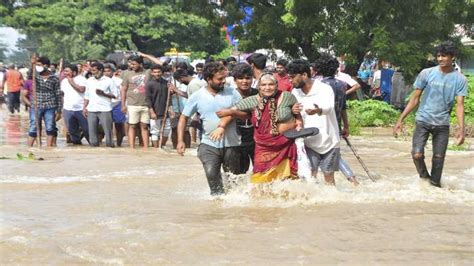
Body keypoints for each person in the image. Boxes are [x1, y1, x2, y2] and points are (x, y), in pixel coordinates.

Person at [394, 42, 468, 187]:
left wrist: (461, 129)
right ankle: (425, 179)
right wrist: (400, 119)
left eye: (444, 56)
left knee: (438, 158)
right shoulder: (426, 73)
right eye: (438, 56)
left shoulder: (460, 79)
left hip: (442, 124)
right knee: (417, 154)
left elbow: (460, 105)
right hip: (423, 120)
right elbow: (415, 98)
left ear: (452, 57)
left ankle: (434, 187)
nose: (440, 59)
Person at [217, 73, 303, 184]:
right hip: (263, 147)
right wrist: (221, 126)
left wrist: (299, 125)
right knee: (260, 178)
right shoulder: (252, 100)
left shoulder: (287, 96)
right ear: (259, 87)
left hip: (286, 144)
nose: (267, 87)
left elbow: (298, 115)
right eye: (264, 85)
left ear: (277, 85)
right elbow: (230, 112)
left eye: (271, 84)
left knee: (286, 179)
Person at [176, 62, 242, 196]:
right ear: (208, 79)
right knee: (212, 176)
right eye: (219, 79)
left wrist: (228, 116)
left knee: (233, 180)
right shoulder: (197, 96)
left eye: (224, 78)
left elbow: (244, 111)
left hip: (232, 144)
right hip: (208, 144)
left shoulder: (232, 93)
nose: (223, 81)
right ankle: (216, 208)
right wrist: (180, 140)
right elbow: (183, 118)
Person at [289, 59, 340, 185]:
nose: (291, 80)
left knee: (329, 176)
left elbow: (329, 107)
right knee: (309, 176)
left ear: (304, 75)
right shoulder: (295, 92)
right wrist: (293, 110)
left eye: (293, 77)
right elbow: (294, 114)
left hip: (329, 140)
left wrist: (319, 110)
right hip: (308, 141)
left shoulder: (324, 88)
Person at [315, 54, 359, 185]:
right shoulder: (341, 85)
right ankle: (352, 180)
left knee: (326, 156)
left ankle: (350, 180)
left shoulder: (319, 86)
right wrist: (346, 126)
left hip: (321, 125)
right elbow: (343, 106)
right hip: (336, 125)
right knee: (333, 155)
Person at [28, 56, 62, 147]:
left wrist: (59, 110)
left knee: (50, 127)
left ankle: (49, 148)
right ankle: (29, 148)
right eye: (37, 65)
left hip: (50, 106)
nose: (37, 67)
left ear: (45, 65)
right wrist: (32, 64)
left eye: (39, 65)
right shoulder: (36, 75)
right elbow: (32, 73)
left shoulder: (54, 78)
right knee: (33, 126)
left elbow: (58, 94)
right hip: (36, 105)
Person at [83, 62, 117, 147]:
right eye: (91, 70)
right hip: (91, 109)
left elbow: (115, 95)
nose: (92, 72)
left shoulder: (109, 81)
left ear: (101, 70)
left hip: (105, 109)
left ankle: (110, 149)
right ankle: (95, 152)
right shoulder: (89, 80)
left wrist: (104, 94)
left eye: (94, 70)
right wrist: (84, 107)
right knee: (92, 134)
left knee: (108, 133)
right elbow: (87, 95)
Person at [121, 55, 151, 149]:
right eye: (130, 64)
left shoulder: (148, 72)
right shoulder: (127, 74)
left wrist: (146, 56)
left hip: (146, 104)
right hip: (132, 104)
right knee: (132, 126)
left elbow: (161, 64)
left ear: (141, 64)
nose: (132, 66)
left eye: (134, 64)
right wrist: (123, 105)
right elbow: (123, 90)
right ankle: (132, 148)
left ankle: (146, 148)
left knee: (145, 126)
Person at [61, 64, 89, 144]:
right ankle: (77, 145)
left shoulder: (82, 79)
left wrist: (71, 81)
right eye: (64, 71)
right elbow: (63, 94)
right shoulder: (64, 81)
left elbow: (81, 90)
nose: (65, 73)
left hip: (80, 108)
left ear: (74, 72)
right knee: (71, 130)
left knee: (86, 129)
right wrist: (63, 107)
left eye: (67, 71)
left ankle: (92, 145)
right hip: (68, 109)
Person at [146, 64, 171, 148]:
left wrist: (170, 109)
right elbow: (148, 99)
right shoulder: (149, 84)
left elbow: (169, 97)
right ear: (152, 73)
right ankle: (156, 149)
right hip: (155, 111)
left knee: (167, 130)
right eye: (155, 72)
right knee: (155, 132)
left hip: (165, 111)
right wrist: (151, 111)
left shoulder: (166, 83)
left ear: (162, 72)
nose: (157, 74)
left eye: (159, 72)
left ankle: (162, 146)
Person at [104, 63, 126, 146]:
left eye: (108, 71)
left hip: (117, 104)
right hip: (105, 105)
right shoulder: (100, 81)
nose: (106, 73)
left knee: (119, 125)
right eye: (104, 71)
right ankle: (109, 143)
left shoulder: (118, 81)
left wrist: (123, 105)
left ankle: (119, 144)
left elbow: (122, 92)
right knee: (105, 126)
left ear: (113, 72)